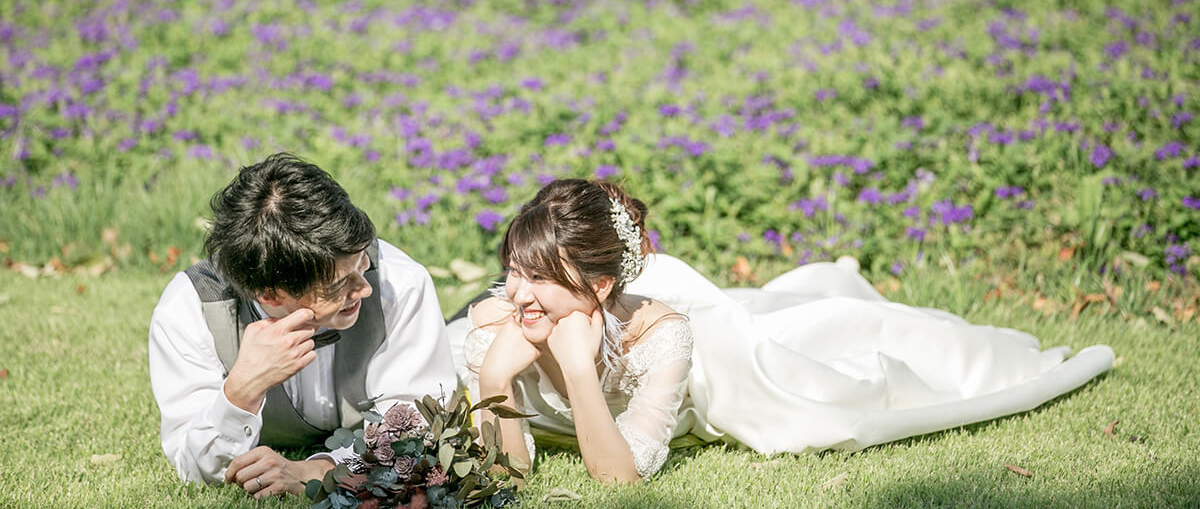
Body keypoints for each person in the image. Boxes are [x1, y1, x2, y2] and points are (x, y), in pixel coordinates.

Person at [446, 178, 1114, 483]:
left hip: (720, 371)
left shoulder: (663, 337)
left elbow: (618, 479)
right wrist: (496, 378)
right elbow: (511, 472)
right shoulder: (502, 323)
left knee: (832, 364)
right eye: (515, 271)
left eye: (541, 279)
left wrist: (583, 375)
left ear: (595, 287)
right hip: (577, 336)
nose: (519, 294)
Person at [149, 153, 456, 497]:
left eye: (363, 261)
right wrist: (241, 391)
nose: (365, 288)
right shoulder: (190, 309)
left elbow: (418, 428)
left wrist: (318, 470)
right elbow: (195, 466)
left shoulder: (402, 283)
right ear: (270, 296)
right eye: (339, 285)